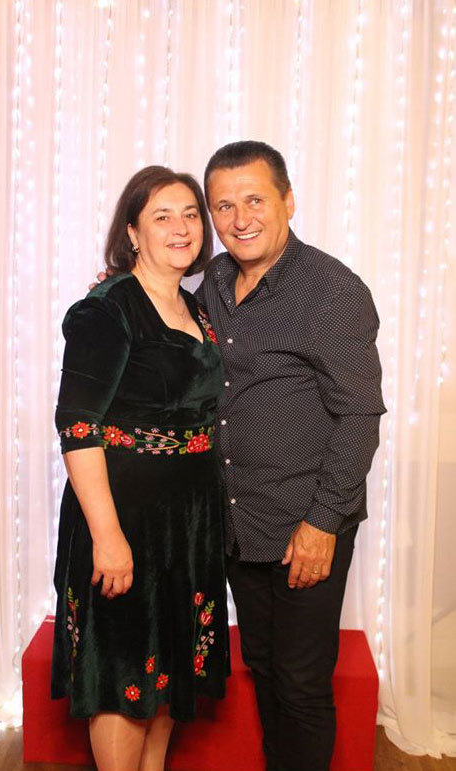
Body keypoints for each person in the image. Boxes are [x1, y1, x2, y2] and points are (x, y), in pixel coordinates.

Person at [195, 140, 386, 771]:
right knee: (263, 665)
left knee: (301, 684)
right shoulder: (213, 282)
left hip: (305, 523)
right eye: (224, 206)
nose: (240, 219)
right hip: (238, 519)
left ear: (288, 201)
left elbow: (360, 414)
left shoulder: (332, 290)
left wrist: (322, 523)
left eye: (255, 200)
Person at [51, 166, 229, 771]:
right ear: (132, 232)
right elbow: (78, 426)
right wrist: (107, 537)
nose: (181, 228)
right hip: (126, 517)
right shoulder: (108, 309)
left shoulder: (194, 307)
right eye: (162, 216)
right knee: (123, 672)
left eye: (190, 215)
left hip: (188, 522)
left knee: (166, 667)